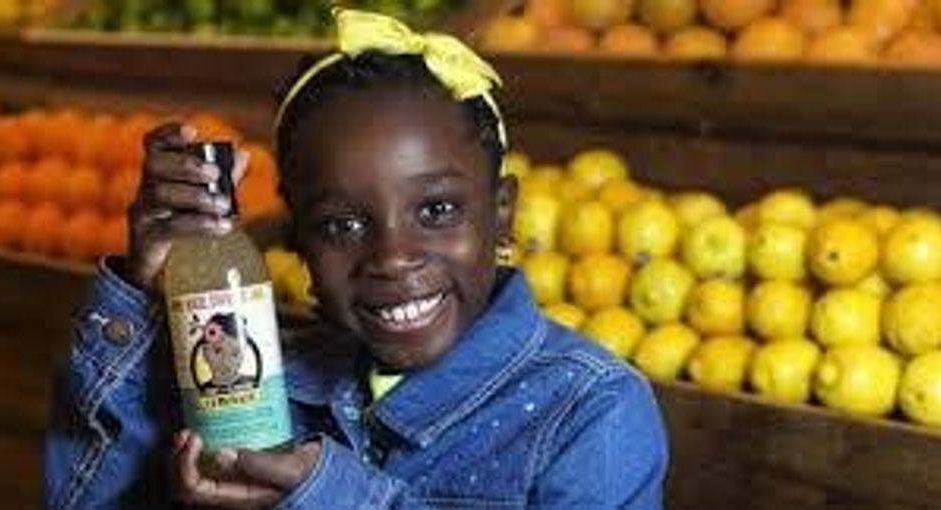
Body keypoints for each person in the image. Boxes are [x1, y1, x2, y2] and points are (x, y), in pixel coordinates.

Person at [44, 9, 668, 509]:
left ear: (501, 212)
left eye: (437, 212)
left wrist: (332, 497)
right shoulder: (259, 388)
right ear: (297, 239)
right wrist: (144, 299)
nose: (393, 258)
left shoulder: (590, 412)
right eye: (341, 224)